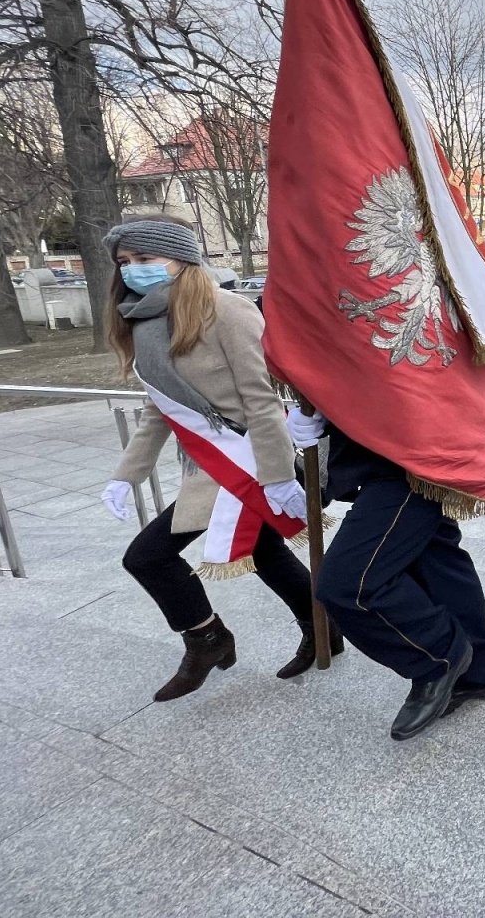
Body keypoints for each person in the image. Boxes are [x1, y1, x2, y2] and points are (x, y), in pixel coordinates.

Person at [101, 216, 331, 701]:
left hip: (246, 462)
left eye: (144, 259)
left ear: (181, 259)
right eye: (125, 263)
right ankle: (321, 628)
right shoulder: (146, 320)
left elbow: (260, 400)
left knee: (147, 556)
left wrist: (275, 476)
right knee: (265, 551)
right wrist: (127, 476)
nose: (133, 271)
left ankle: (207, 639)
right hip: (209, 462)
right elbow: (160, 409)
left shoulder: (227, 311)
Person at [285, 409, 485, 739]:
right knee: (436, 560)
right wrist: (320, 411)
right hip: (387, 452)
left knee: (347, 584)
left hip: (413, 449)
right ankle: (482, 670)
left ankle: (440, 656)